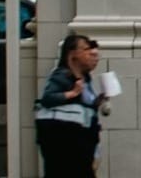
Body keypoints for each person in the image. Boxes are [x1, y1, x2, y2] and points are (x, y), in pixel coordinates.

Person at [35, 33, 106, 177]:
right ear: (73, 54)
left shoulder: (85, 79)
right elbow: (48, 98)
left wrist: (97, 102)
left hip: (83, 141)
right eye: (86, 49)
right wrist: (72, 93)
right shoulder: (61, 75)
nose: (92, 54)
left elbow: (84, 107)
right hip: (63, 142)